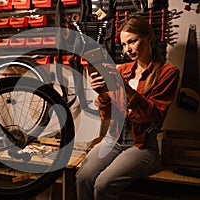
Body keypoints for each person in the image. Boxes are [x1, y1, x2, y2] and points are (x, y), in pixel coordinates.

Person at [76, 15, 179, 200]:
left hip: (142, 145)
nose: (127, 49)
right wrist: (101, 93)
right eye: (124, 45)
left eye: (132, 42)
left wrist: (126, 89)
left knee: (103, 185)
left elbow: (154, 114)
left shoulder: (168, 72)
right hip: (114, 138)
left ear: (149, 37)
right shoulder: (122, 70)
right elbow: (107, 115)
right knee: (83, 177)